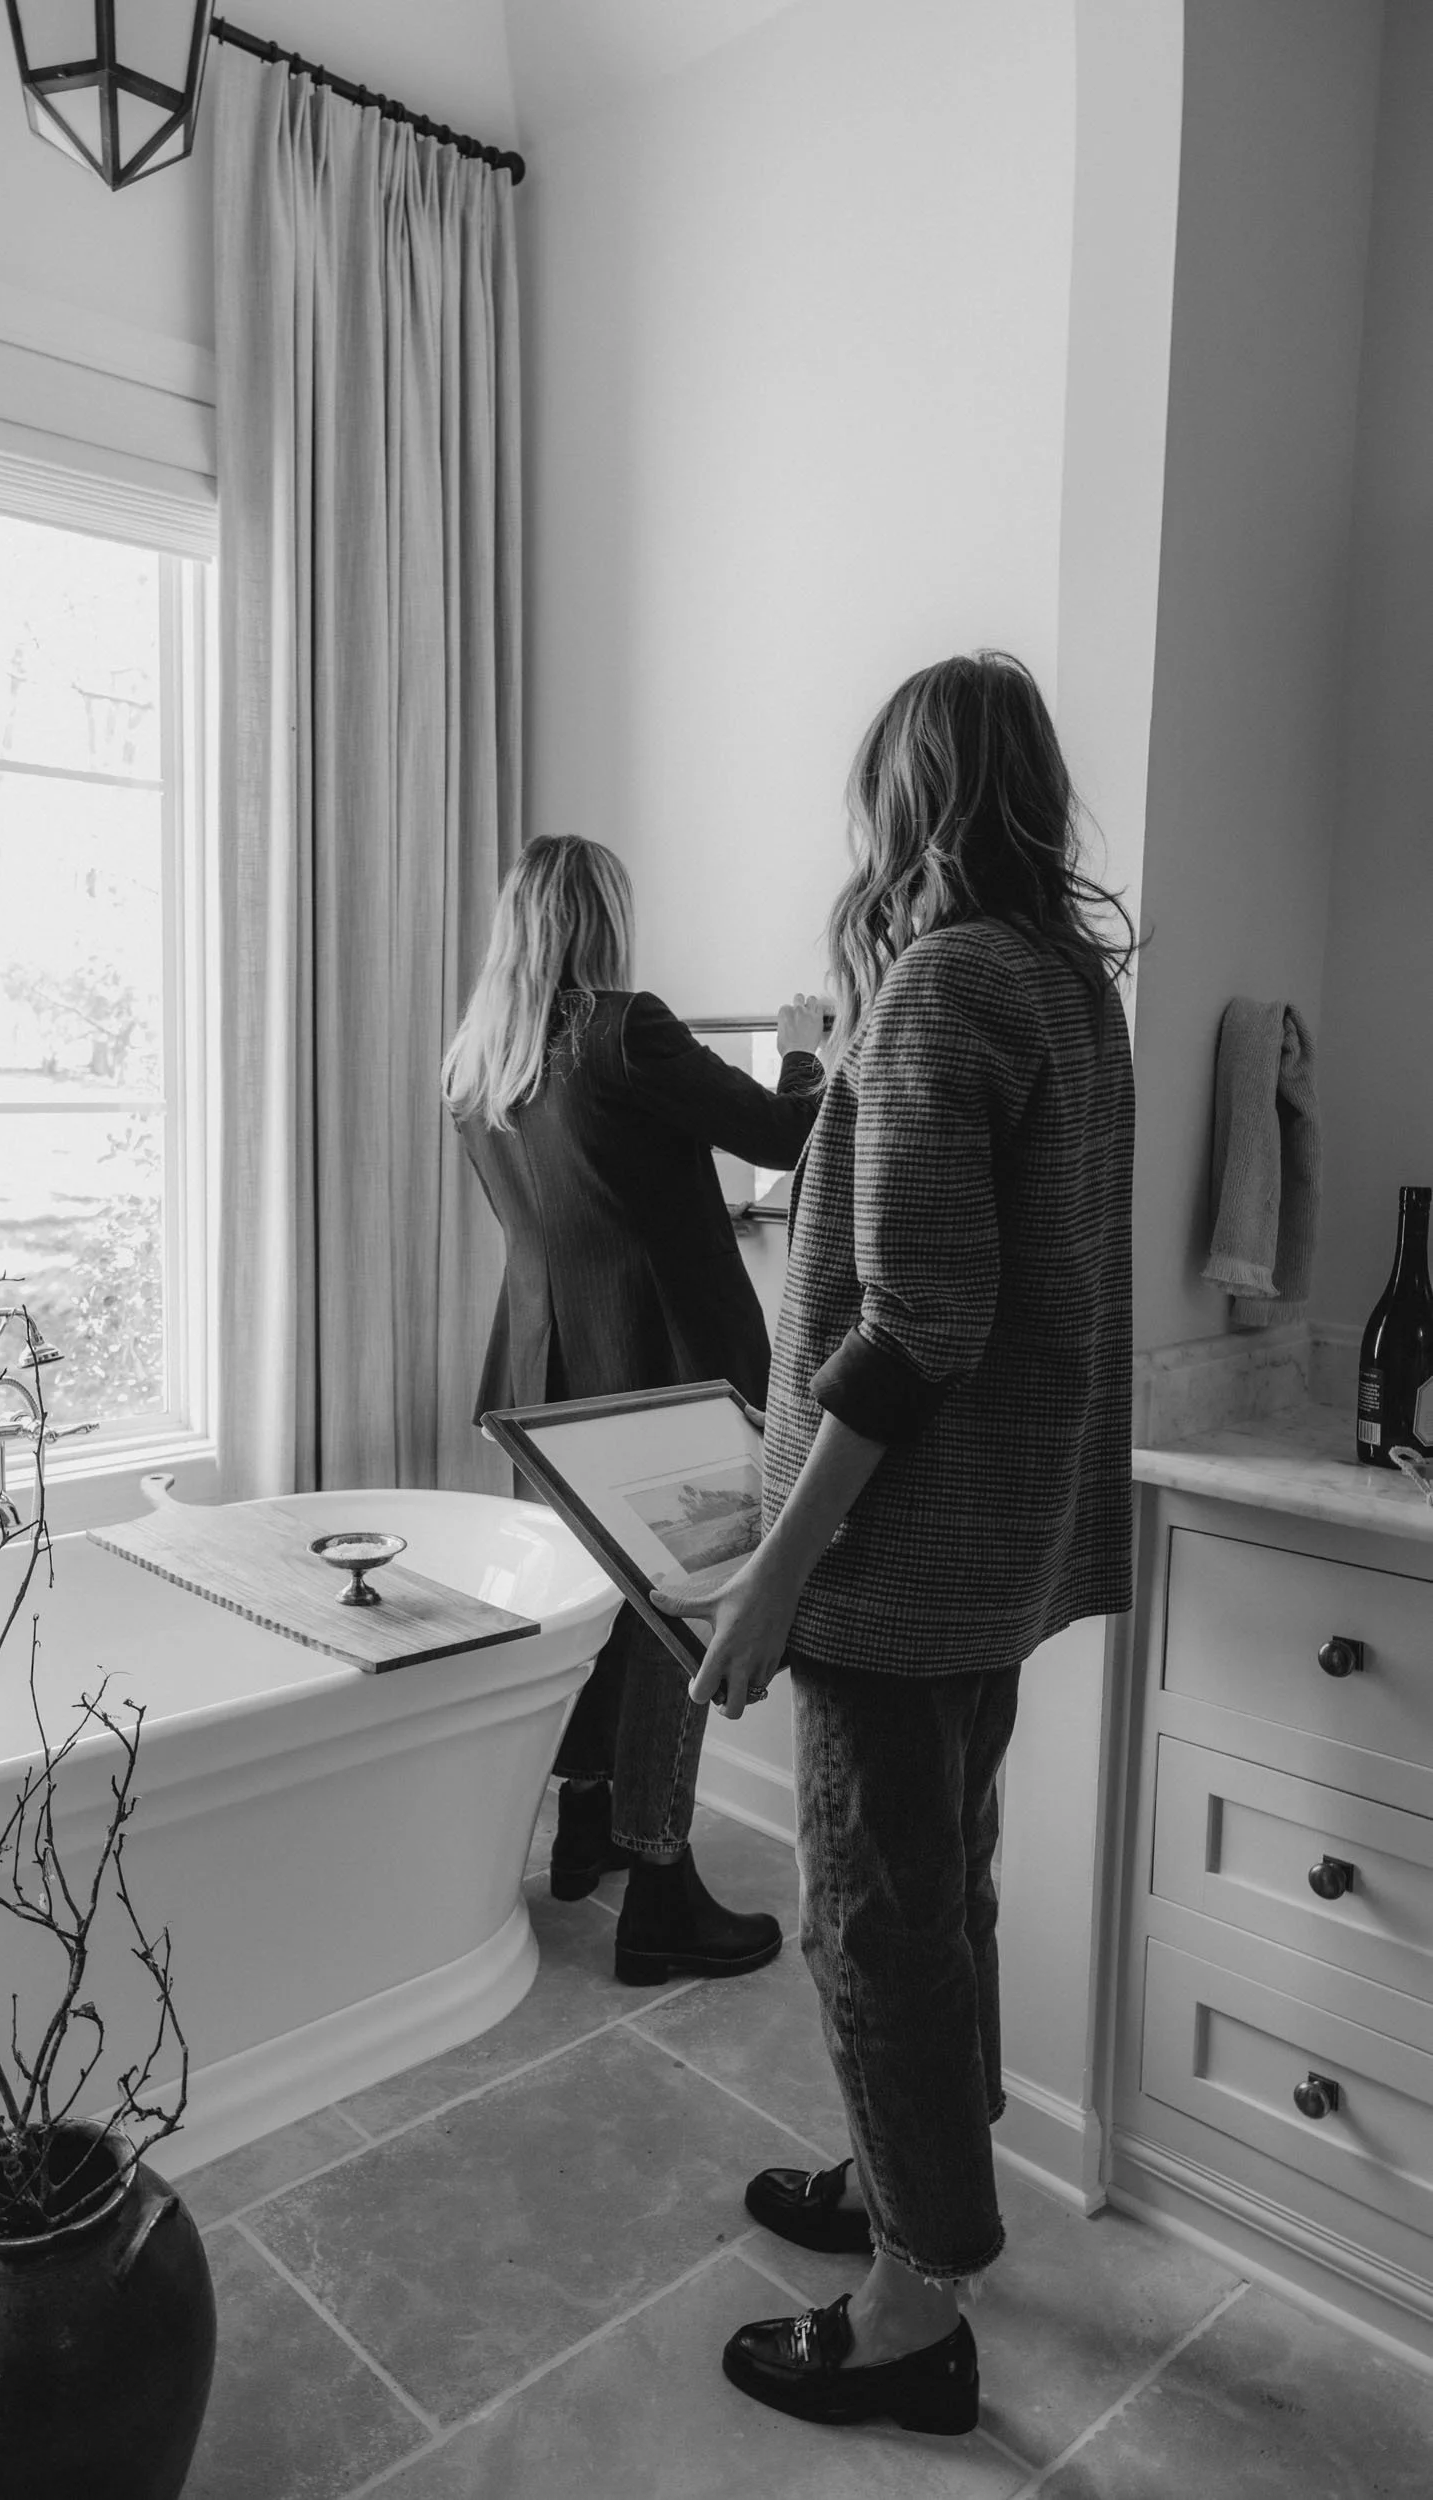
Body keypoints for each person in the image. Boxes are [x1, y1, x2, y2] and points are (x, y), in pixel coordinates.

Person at [654, 652, 1136, 2432]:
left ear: (907, 798)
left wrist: (775, 1572)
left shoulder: (940, 990)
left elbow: (922, 1312)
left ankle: (909, 2307)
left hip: (893, 1565)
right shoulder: (1070, 995)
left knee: (869, 1922)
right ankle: (898, 2178)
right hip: (996, 1558)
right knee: (944, 1891)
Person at [443, 836, 826, 1983]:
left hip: (544, 1385)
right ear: (599, 919)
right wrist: (802, 1052)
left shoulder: (477, 1062)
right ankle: (659, 1888)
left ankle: (588, 1832)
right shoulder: (622, 1027)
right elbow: (783, 1135)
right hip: (662, 1385)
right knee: (677, 1624)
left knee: (591, 1610)